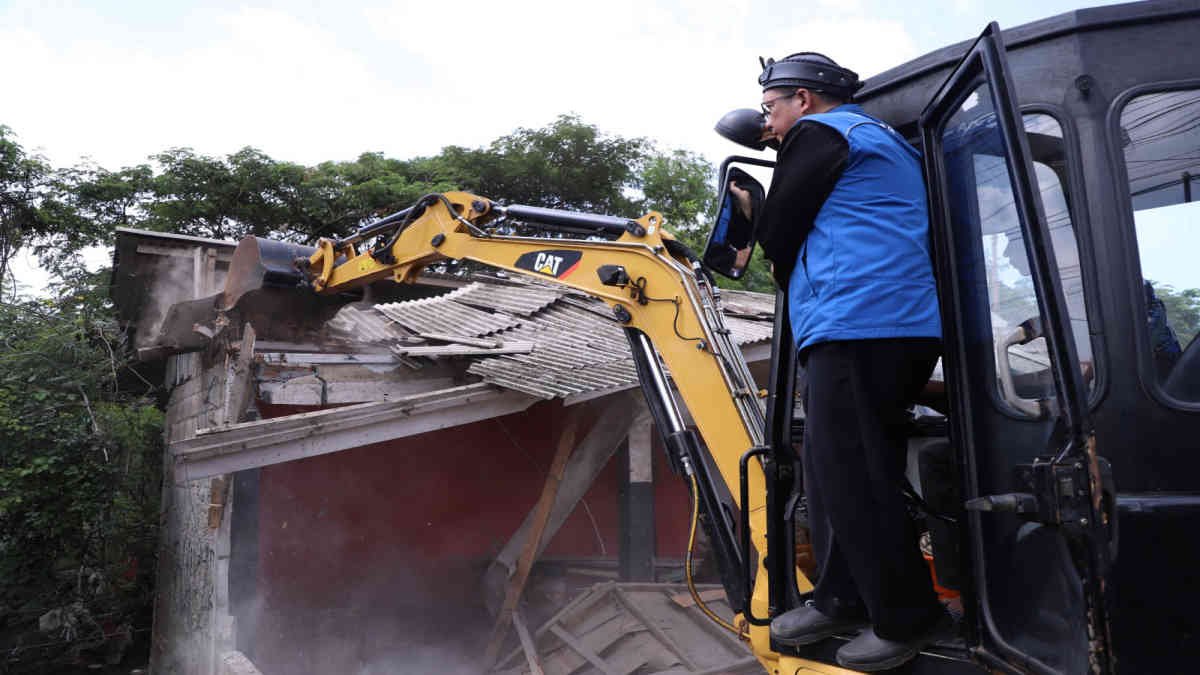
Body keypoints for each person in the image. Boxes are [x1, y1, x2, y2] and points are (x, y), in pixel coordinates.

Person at [728, 52, 944, 671]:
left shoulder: (823, 132)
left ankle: (909, 616)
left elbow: (779, 229)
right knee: (828, 466)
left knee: (852, 472)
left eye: (772, 109)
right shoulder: (877, 141)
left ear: (802, 98)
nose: (768, 125)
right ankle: (843, 595)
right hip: (880, 322)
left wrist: (747, 218)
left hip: (864, 322)